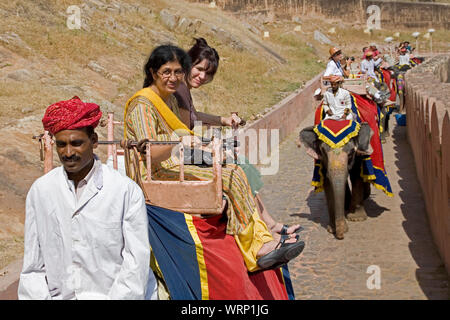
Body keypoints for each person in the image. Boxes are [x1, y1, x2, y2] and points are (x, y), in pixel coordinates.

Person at [123, 45, 305, 274]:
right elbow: (149, 154)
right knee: (231, 175)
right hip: (156, 172)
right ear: (152, 72)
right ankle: (258, 246)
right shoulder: (143, 104)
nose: (173, 78)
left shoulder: (167, 98)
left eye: (178, 72)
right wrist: (179, 143)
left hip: (174, 162)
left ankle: (261, 240)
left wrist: (190, 142)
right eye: (166, 72)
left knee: (236, 171)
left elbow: (183, 131)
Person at [18, 97, 152, 300]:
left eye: (76, 143)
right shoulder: (41, 191)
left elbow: (135, 264)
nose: (68, 152)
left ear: (94, 141)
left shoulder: (125, 191)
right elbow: (33, 266)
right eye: (61, 145)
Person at [174, 38, 301, 237]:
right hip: (179, 152)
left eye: (208, 73)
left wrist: (223, 120)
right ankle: (264, 227)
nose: (202, 76)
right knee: (238, 167)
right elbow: (183, 131)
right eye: (199, 69)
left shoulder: (184, 89)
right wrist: (212, 146)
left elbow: (194, 116)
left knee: (240, 164)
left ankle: (267, 223)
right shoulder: (180, 89)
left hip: (185, 149)